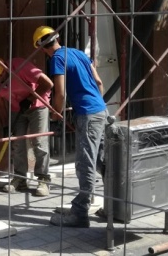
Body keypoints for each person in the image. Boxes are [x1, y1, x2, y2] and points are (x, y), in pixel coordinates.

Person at [34, 25, 107, 228]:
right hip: (100, 110)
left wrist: (56, 114)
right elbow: (99, 82)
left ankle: (80, 214)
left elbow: (61, 94)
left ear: (41, 48)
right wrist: (96, 106)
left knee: (86, 162)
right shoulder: (77, 53)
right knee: (102, 160)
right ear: (57, 39)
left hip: (87, 114)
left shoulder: (57, 58)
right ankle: (112, 206)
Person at [0, 56, 54, 196]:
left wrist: (30, 99)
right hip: (16, 109)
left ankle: (43, 179)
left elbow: (48, 83)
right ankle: (20, 179)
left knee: (39, 141)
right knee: (17, 143)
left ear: (3, 72)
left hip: (37, 105)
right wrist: (5, 126)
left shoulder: (21, 66)